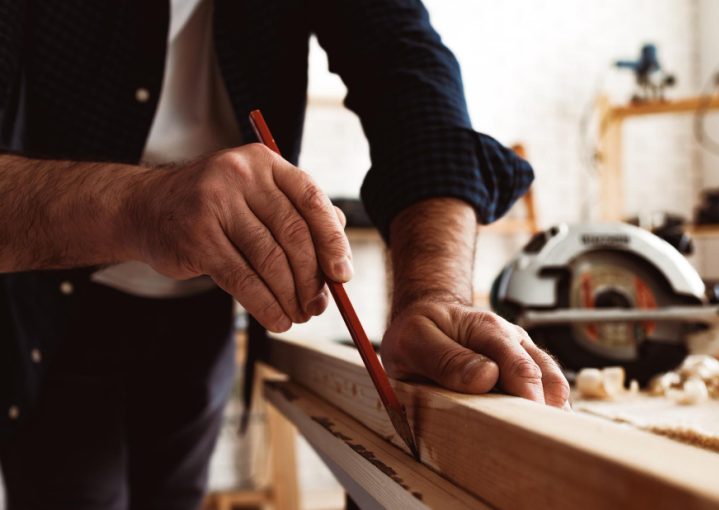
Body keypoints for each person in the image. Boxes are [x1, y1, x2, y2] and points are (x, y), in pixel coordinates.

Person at [0, 0, 570, 508]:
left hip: (205, 310)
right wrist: (139, 207)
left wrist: (435, 293)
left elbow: (411, 82)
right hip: (51, 313)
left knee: (174, 495)